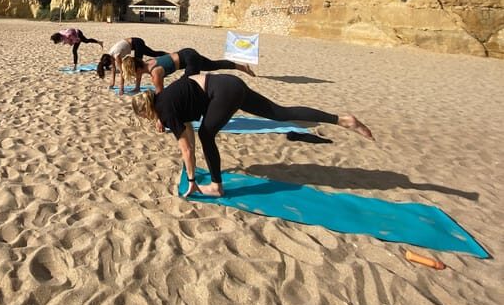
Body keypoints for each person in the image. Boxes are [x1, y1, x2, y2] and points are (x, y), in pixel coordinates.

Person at [131, 73, 374, 197]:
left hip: (222, 93)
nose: (147, 121)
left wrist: (193, 181)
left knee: (206, 135)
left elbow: (187, 147)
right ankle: (341, 120)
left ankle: (216, 186)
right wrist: (168, 124)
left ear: (146, 110)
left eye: (144, 117)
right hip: (227, 83)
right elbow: (184, 127)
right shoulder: (164, 101)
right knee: (279, 113)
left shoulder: (166, 111)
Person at [122, 47, 255, 93]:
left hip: (189, 59)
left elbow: (161, 94)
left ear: (137, 70)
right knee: (213, 65)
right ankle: (242, 67)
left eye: (132, 74)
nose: (134, 76)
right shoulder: (148, 62)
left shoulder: (155, 73)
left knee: (187, 85)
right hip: (187, 53)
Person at [97, 37, 167, 95]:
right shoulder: (109, 55)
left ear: (110, 59)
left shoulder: (116, 55)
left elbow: (122, 72)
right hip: (136, 43)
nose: (113, 63)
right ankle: (168, 55)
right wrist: (112, 83)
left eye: (111, 62)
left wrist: (121, 88)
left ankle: (137, 88)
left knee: (138, 67)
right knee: (153, 53)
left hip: (137, 43)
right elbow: (113, 69)